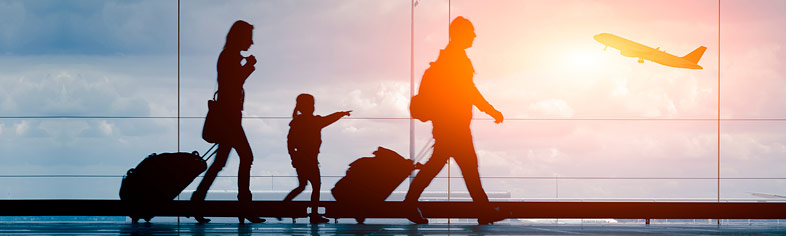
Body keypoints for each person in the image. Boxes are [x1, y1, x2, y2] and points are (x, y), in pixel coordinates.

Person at [405, 16, 505, 225]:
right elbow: (469, 91)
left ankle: (410, 203)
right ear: (460, 34)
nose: (474, 36)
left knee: (449, 166)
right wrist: (490, 110)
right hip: (454, 126)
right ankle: (484, 211)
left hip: (448, 125)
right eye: (471, 32)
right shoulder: (457, 60)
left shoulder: (449, 58)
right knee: (467, 167)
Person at [191, 20, 264, 224]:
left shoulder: (228, 56)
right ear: (240, 37)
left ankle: (197, 202)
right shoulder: (230, 57)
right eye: (249, 37)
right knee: (246, 157)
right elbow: (233, 84)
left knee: (219, 163)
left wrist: (246, 66)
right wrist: (249, 67)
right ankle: (244, 207)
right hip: (230, 118)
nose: (251, 42)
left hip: (228, 117)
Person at [283, 93, 352, 224]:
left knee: (303, 185)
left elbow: (290, 142)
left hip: (300, 159)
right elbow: (329, 119)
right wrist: (342, 113)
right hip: (309, 160)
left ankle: (284, 205)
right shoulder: (314, 122)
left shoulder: (297, 122)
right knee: (316, 186)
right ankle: (313, 214)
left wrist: (293, 158)